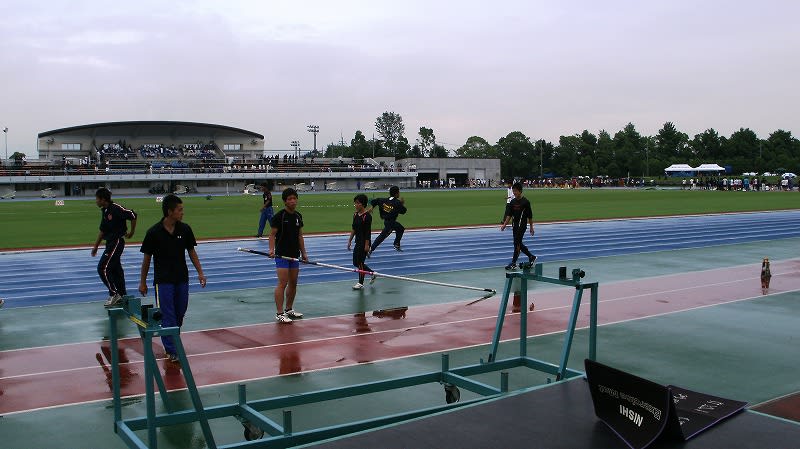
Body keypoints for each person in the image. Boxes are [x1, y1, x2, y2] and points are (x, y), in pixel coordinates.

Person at [138, 194, 207, 363]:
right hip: (163, 281)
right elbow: (147, 258)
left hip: (182, 278)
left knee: (180, 313)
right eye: (180, 210)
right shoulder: (153, 232)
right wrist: (142, 281)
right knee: (168, 315)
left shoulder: (185, 229)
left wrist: (200, 272)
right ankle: (172, 350)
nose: (182, 213)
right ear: (170, 211)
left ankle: (173, 338)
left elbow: (191, 252)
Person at [91, 187, 137, 308]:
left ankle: (114, 293)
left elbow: (132, 215)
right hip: (110, 243)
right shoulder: (105, 211)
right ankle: (122, 295)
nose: (96, 201)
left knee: (103, 268)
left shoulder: (116, 208)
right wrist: (96, 246)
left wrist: (131, 232)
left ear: (103, 199)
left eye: (97, 199)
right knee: (116, 270)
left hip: (117, 242)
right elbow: (102, 230)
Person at [269, 188, 308, 323]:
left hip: (294, 255)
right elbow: (272, 234)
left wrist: (304, 253)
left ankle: (289, 309)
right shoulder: (280, 216)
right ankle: (279, 313)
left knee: (293, 283)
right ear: (285, 201)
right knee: (282, 283)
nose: (292, 201)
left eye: (294, 198)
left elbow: (299, 236)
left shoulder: (298, 216)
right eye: (289, 199)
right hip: (282, 255)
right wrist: (271, 250)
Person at [500, 182, 536, 270]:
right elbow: (509, 215)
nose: (514, 193)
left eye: (515, 191)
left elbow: (530, 216)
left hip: (522, 226)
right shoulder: (512, 202)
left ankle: (513, 263)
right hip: (515, 226)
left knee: (516, 244)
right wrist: (504, 224)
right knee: (517, 243)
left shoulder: (525, 202)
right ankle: (531, 256)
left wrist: (531, 227)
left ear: (520, 191)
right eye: (513, 191)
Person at [367, 185, 407, 255]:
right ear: (396, 193)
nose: (399, 194)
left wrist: (372, 207)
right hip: (391, 223)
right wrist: (402, 204)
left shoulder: (383, 200)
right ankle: (370, 249)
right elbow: (403, 211)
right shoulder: (397, 202)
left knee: (399, 229)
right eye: (399, 192)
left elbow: (375, 201)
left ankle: (396, 244)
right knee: (382, 236)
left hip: (387, 222)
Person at [347, 194, 376, 289]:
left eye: (358, 203)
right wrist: (350, 240)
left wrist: (367, 245)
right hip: (357, 241)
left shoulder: (367, 217)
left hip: (364, 242)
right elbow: (354, 228)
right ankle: (372, 273)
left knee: (359, 262)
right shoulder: (355, 214)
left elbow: (368, 232)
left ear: (363, 204)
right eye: (355, 203)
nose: (356, 205)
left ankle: (360, 283)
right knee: (356, 263)